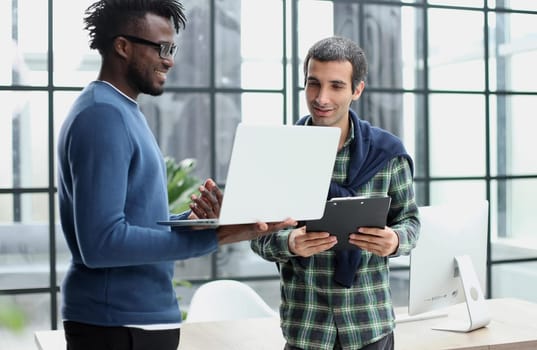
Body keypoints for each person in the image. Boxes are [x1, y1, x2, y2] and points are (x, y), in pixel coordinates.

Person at [56, 1, 295, 349]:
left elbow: (134, 222)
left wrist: (196, 222)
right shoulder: (102, 117)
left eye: (173, 48)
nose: (169, 59)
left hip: (134, 323)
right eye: (162, 48)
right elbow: (101, 243)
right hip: (115, 325)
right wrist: (218, 236)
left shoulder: (121, 110)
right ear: (122, 46)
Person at [250, 36, 420, 350]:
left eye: (336, 86)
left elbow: (410, 223)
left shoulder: (388, 154)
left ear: (357, 90)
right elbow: (257, 237)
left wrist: (395, 240)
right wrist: (289, 242)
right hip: (306, 329)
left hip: (370, 326)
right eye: (313, 84)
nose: (322, 98)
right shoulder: (279, 153)